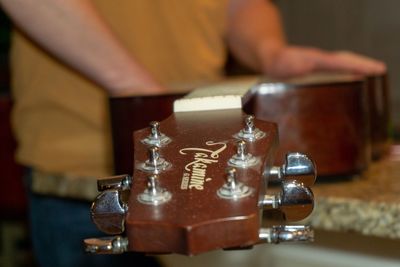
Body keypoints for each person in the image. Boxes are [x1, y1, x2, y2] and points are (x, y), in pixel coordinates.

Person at [0, 0, 386, 266]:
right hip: (85, 166)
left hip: (206, 154)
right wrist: (143, 94)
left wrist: (270, 52)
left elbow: (240, 5)